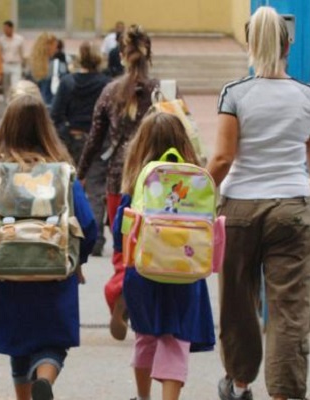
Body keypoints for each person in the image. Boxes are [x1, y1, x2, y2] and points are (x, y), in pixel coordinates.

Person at [206, 6, 310, 400]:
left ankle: (240, 383)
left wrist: (198, 199)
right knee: (289, 309)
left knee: (238, 303)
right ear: (288, 44)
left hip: (239, 210)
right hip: (291, 210)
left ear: (249, 43)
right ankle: (284, 392)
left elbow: (223, 160)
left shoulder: (235, 94)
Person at [0, 94, 97, 400]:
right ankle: (46, 381)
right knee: (52, 340)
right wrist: (77, 259)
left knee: (19, 340)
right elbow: (87, 224)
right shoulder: (62, 173)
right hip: (54, 268)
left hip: (7, 270)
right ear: (45, 128)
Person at [114, 112, 215, 400]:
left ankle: (143, 396)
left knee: (145, 337)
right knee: (175, 341)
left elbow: (121, 230)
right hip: (186, 272)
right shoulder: (195, 181)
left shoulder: (138, 183)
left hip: (144, 272)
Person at [77, 24, 156, 341]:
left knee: (122, 247)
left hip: (118, 182)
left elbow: (94, 141)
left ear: (122, 55)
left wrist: (80, 175)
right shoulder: (160, 90)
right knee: (149, 249)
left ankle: (118, 289)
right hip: (154, 182)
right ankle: (141, 307)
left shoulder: (110, 92)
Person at [51, 42, 111, 256]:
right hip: (98, 141)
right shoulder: (106, 84)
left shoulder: (68, 83)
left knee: (67, 187)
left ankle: (66, 234)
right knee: (95, 189)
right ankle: (95, 239)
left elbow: (56, 114)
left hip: (72, 138)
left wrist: (64, 133)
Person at [29, 32, 68, 106]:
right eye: (55, 47)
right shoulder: (58, 65)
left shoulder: (32, 65)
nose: (56, 50)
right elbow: (65, 82)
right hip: (52, 104)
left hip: (35, 105)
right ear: (49, 47)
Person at [0, 20, 26, 103]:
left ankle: (14, 102)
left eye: (6, 28)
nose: (5, 30)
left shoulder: (19, 39)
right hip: (5, 64)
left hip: (16, 64)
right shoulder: (1, 39)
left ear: (11, 28)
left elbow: (22, 52)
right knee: (6, 86)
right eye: (4, 29)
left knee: (15, 85)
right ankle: (7, 102)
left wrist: (23, 64)